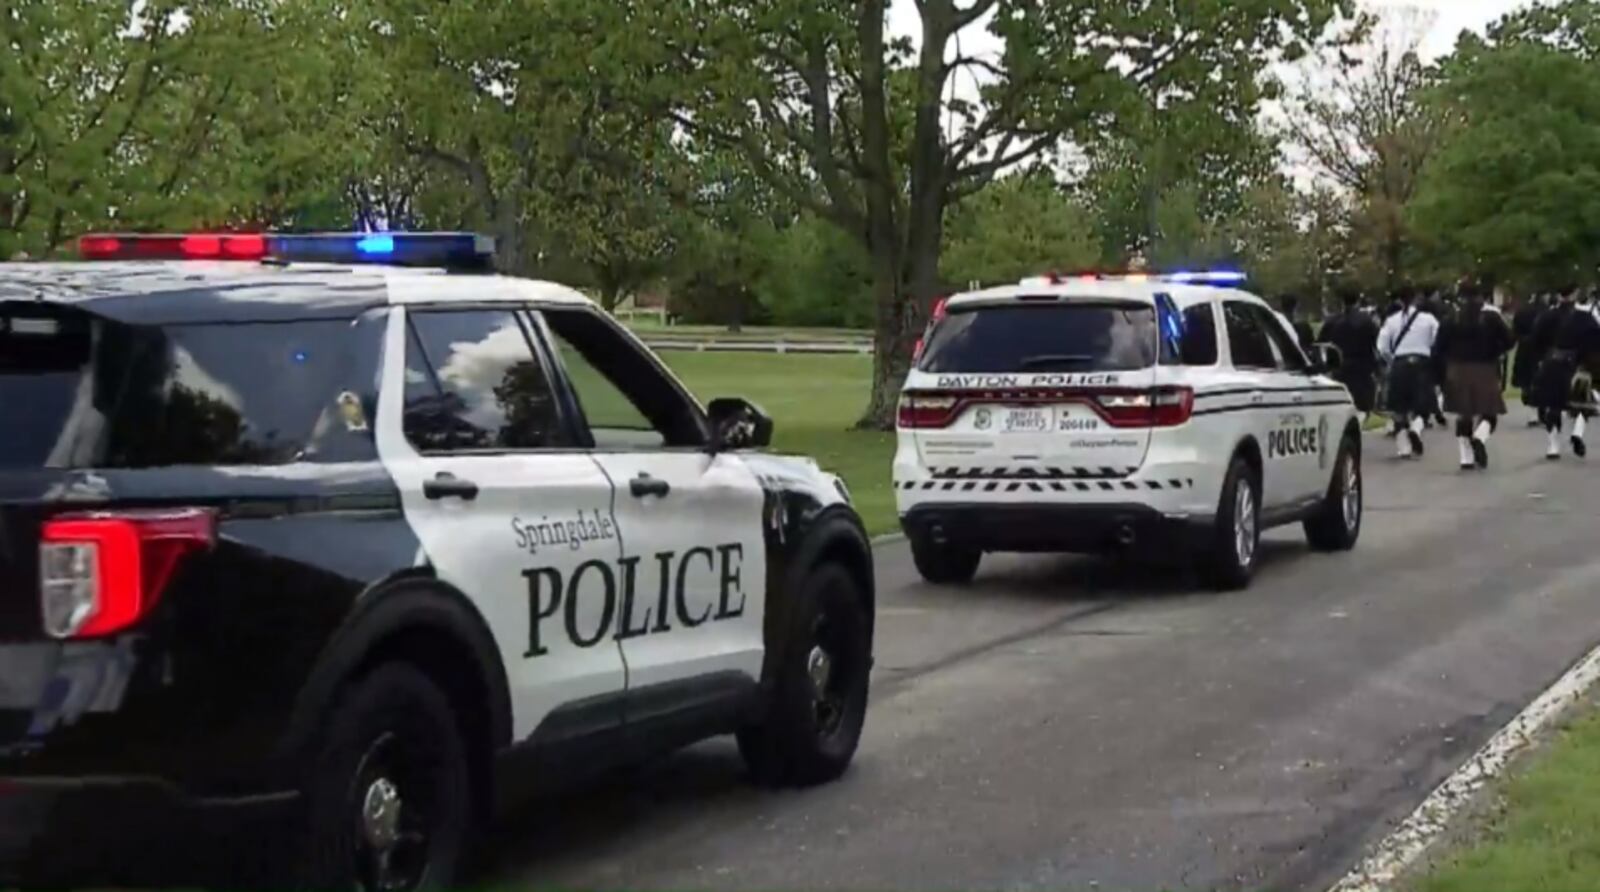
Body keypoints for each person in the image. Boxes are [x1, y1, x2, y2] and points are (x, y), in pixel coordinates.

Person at [1435, 283, 1516, 469]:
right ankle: (1480, 437)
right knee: (1489, 413)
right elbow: (1510, 340)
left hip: (1457, 369)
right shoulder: (1491, 317)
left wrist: (1442, 372)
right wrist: (1497, 351)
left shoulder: (1450, 319)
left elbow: (1439, 348)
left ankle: (1466, 457)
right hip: (1485, 368)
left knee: (1464, 415)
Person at [1530, 284, 1600, 459]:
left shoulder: (1547, 316)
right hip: (1576, 364)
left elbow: (1535, 339)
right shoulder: (1584, 317)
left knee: (1553, 406)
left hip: (1552, 361)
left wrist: (1541, 358)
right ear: (1575, 294)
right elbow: (1595, 342)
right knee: (1583, 403)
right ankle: (1577, 433)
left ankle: (1553, 445)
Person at [1377, 287, 1441, 459]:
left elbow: (1382, 346)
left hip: (1399, 364)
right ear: (1415, 298)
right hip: (1421, 362)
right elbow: (1437, 339)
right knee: (1422, 405)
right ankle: (1416, 428)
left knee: (1399, 408)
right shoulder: (1428, 319)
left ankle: (1403, 448)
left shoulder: (1391, 321)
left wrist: (1392, 359)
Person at [1320, 286, 1380, 421]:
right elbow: (1376, 343)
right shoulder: (1367, 321)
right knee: (1362, 403)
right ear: (1358, 301)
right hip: (1362, 368)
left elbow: (1321, 343)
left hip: (1339, 367)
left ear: (1341, 301)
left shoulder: (1332, 322)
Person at [1512, 294, 1549, 426]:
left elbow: (1514, 332)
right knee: (1542, 381)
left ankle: (1532, 412)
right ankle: (1541, 411)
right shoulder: (1546, 312)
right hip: (1541, 350)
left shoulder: (1522, 312)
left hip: (1524, 348)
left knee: (1527, 380)